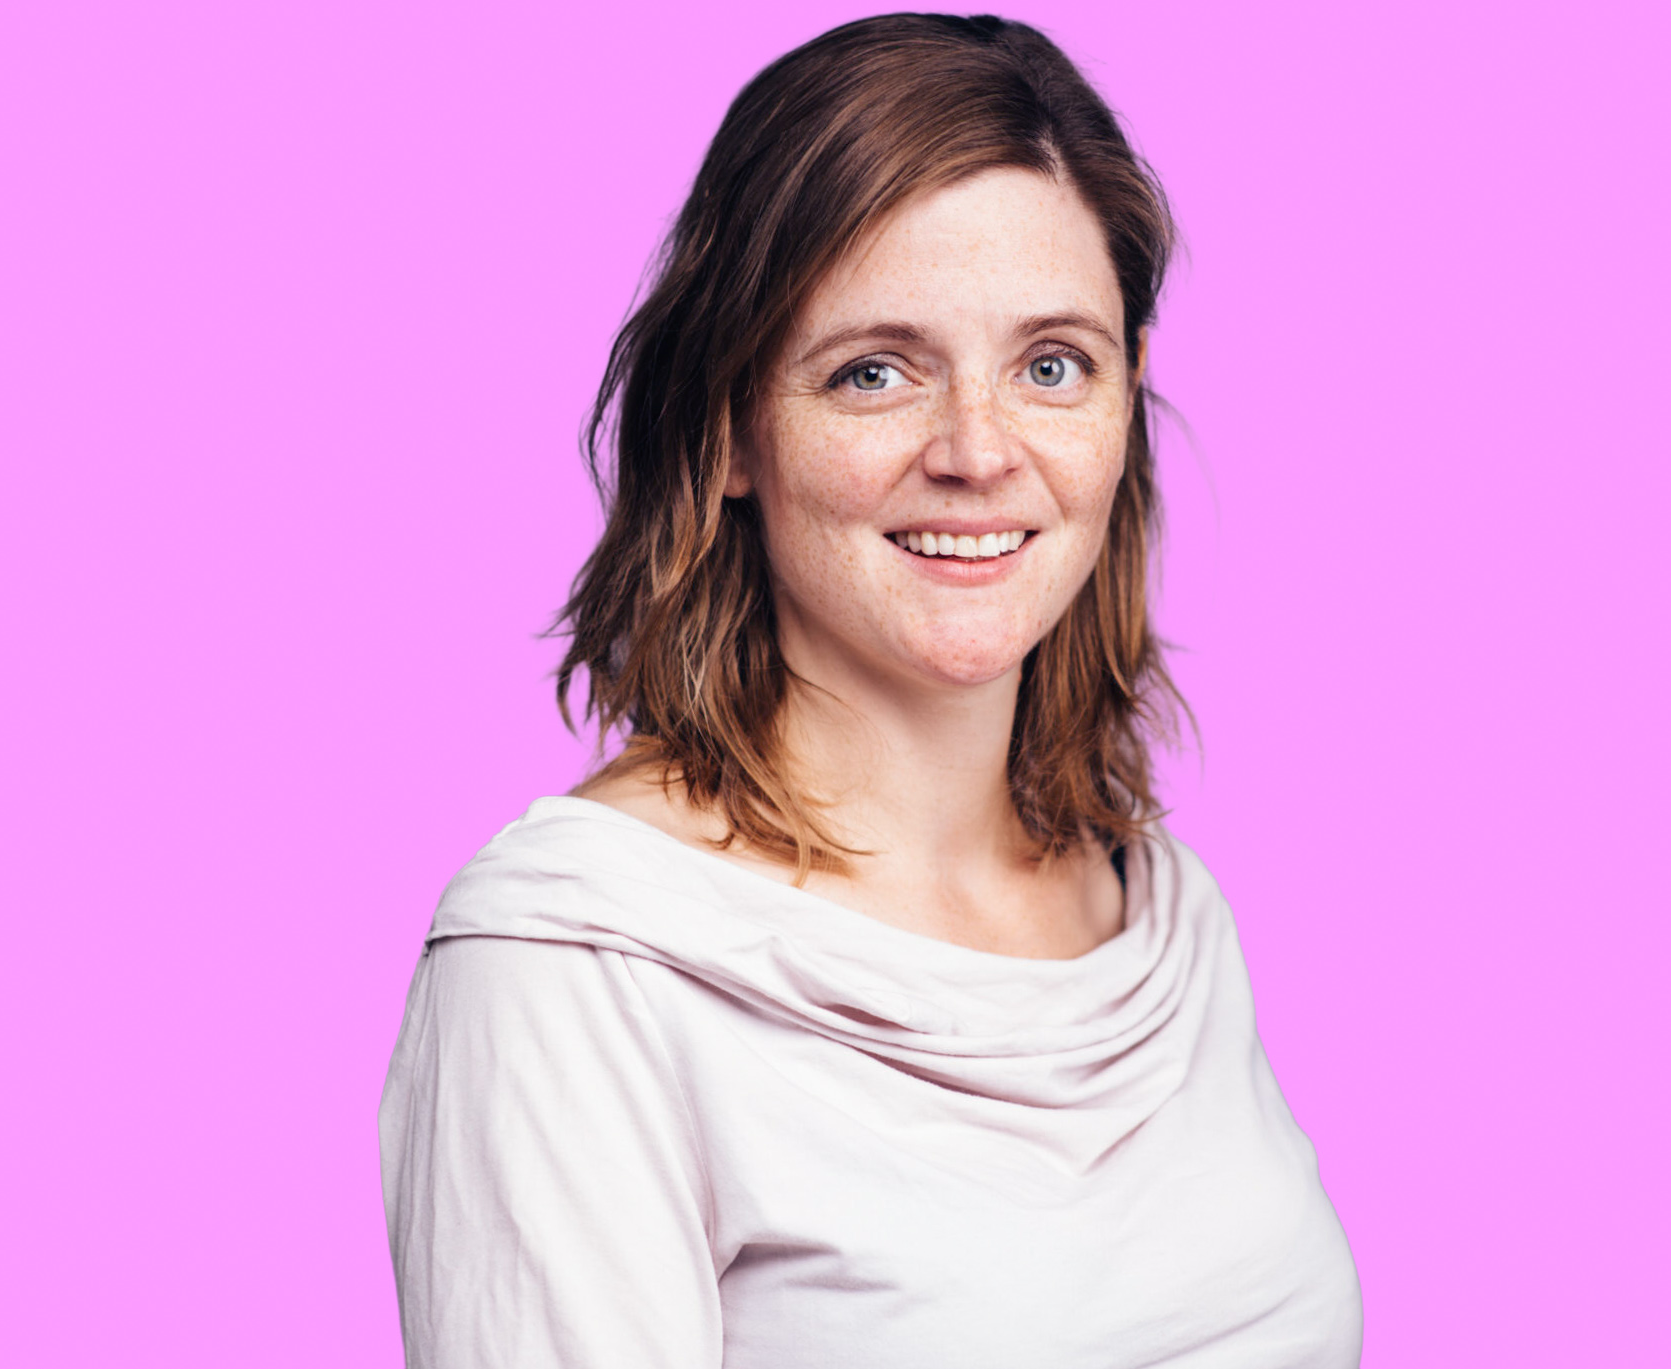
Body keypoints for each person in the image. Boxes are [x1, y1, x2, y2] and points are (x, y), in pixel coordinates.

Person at [379, 13, 1363, 1366]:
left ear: (1127, 398)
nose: (977, 450)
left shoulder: (1160, 911)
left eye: (1052, 365)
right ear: (730, 427)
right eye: (873, 371)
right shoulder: (574, 966)